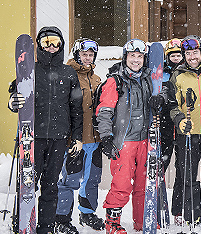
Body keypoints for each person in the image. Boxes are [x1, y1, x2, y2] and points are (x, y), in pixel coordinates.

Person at [8, 26, 83, 234]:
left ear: (62, 45)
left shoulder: (69, 73)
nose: (51, 46)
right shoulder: (29, 69)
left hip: (59, 139)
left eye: (56, 42)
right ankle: (21, 223)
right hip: (32, 139)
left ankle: (45, 227)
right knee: (27, 184)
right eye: (46, 42)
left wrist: (76, 137)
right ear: (39, 45)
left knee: (51, 186)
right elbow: (15, 95)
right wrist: (12, 102)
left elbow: (76, 108)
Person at [95, 38, 153, 233]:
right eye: (132, 56)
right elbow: (104, 111)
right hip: (124, 141)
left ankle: (141, 222)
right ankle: (112, 223)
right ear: (125, 58)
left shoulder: (147, 80)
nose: (136, 60)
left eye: (139, 56)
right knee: (121, 185)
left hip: (144, 140)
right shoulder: (115, 81)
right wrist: (106, 137)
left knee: (142, 184)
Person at [163, 35, 201, 227]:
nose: (192, 57)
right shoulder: (178, 75)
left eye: (195, 52)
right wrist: (179, 120)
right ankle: (192, 216)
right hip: (187, 135)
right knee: (189, 178)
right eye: (188, 53)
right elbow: (172, 104)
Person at [54, 39, 104, 234]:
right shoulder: (67, 75)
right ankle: (62, 218)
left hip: (95, 138)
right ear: (77, 55)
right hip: (75, 139)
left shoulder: (97, 79)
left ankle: (87, 213)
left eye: (91, 55)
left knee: (92, 179)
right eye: (84, 54)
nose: (88, 57)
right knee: (69, 180)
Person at [159, 38, 185, 225]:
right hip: (165, 125)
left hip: (183, 124)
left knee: (183, 169)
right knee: (161, 167)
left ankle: (178, 209)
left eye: (178, 55)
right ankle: (158, 205)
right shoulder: (162, 74)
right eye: (173, 55)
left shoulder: (186, 74)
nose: (176, 58)